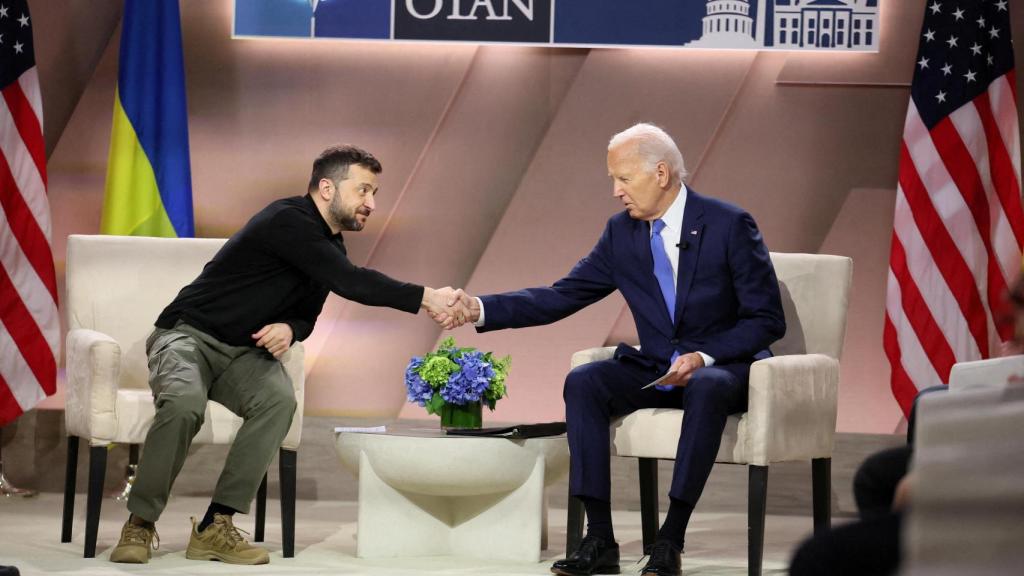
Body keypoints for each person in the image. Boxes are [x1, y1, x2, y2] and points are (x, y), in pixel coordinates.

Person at [441, 123, 786, 576]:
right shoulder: (621, 233)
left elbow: (766, 319)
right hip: (659, 366)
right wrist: (480, 308)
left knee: (706, 386)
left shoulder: (728, 224)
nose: (615, 191)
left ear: (660, 173)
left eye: (623, 178)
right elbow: (561, 295)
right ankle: (599, 538)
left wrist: (704, 356)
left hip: (724, 370)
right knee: (585, 381)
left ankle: (670, 539)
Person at [109, 145, 461, 565]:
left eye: (375, 193)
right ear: (327, 187)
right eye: (363, 190)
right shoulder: (287, 220)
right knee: (185, 404)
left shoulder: (331, 247)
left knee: (278, 401)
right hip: (188, 337)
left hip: (243, 352)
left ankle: (214, 527)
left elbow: (308, 315)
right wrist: (428, 297)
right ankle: (140, 523)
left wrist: (290, 327)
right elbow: (354, 284)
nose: (372, 203)